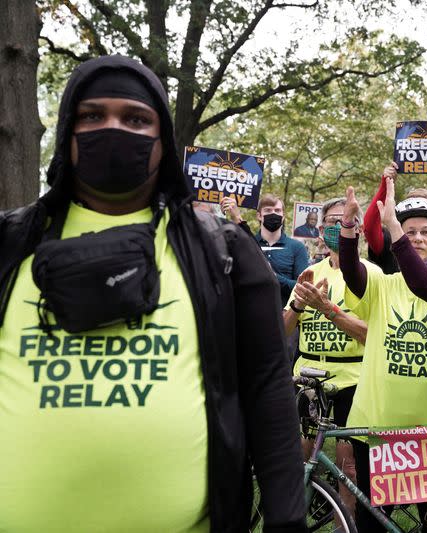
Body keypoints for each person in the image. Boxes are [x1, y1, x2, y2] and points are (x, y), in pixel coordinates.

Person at [0, 55, 305, 531]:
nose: (113, 129)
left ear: (164, 140)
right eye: (92, 115)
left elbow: (268, 387)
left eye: (136, 119)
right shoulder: (9, 244)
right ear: (66, 131)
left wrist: (286, 520)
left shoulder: (222, 252)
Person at [339, 178, 427, 532]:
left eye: (426, 232)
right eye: (410, 232)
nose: (417, 238)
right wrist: (348, 228)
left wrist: (394, 227)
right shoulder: (382, 282)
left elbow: (421, 283)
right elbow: (352, 274)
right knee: (375, 523)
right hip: (379, 428)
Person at [283, 196, 375, 520]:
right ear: (319, 231)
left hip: (352, 381)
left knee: (347, 466)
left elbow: (371, 334)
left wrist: (328, 309)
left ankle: (343, 525)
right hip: (308, 379)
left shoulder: (369, 275)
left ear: (358, 227)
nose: (336, 228)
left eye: (344, 220)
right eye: (330, 222)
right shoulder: (308, 272)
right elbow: (281, 331)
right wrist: (298, 305)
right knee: (302, 459)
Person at [253, 193, 309, 305]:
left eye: (277, 211)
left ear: (283, 216)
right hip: (252, 314)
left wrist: (273, 276)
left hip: (285, 316)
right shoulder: (249, 244)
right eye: (268, 210)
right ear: (259, 216)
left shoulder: (297, 247)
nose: (273, 214)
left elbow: (303, 288)